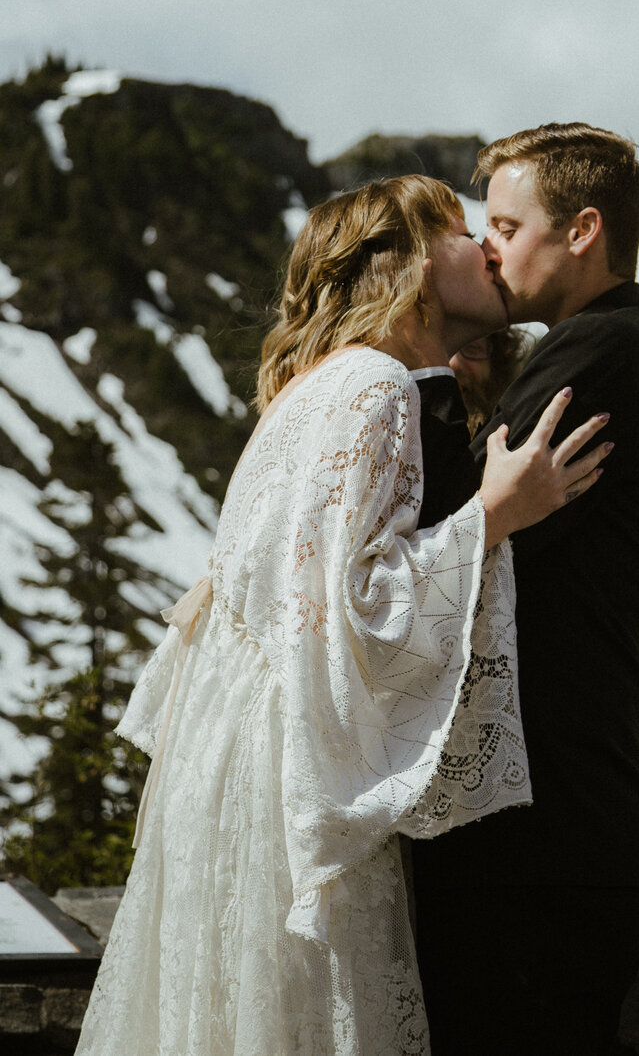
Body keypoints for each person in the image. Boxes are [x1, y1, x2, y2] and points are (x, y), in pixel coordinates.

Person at [75, 175, 611, 1056]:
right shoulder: (377, 387)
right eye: (455, 229)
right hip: (297, 765)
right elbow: (346, 615)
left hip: (245, 759)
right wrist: (496, 515)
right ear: (403, 264)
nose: (483, 245)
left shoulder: (316, 388)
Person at [410, 125, 639, 1055]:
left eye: (506, 222)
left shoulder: (601, 352)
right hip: (547, 827)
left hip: (544, 841)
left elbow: (446, 509)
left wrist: (426, 362)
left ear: (583, 231)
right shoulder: (601, 349)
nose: (488, 245)